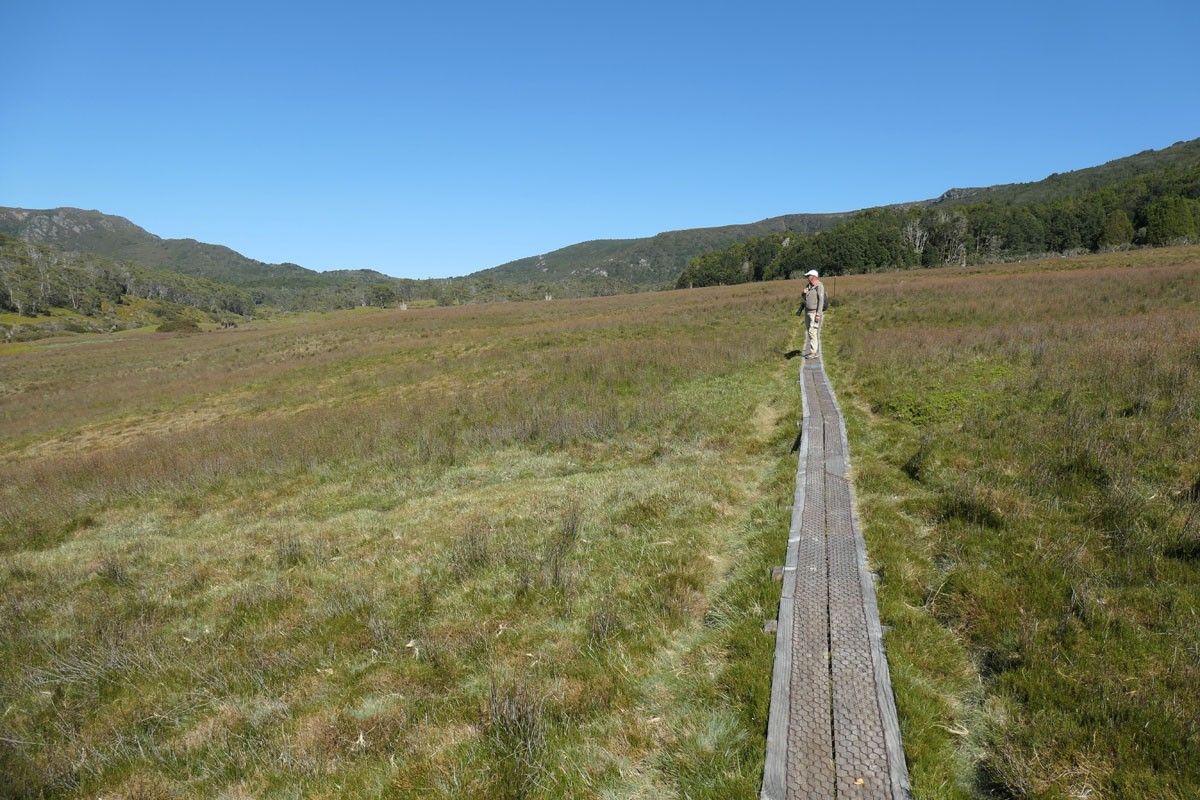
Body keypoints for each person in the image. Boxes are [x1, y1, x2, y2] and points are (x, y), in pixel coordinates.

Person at [799, 269, 825, 359]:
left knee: (812, 332)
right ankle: (813, 351)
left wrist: (818, 314)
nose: (807, 277)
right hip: (807, 312)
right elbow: (803, 297)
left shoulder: (819, 286)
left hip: (814, 313)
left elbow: (821, 300)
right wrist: (803, 293)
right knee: (810, 332)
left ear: (813, 277)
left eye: (808, 276)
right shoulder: (808, 286)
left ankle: (813, 352)